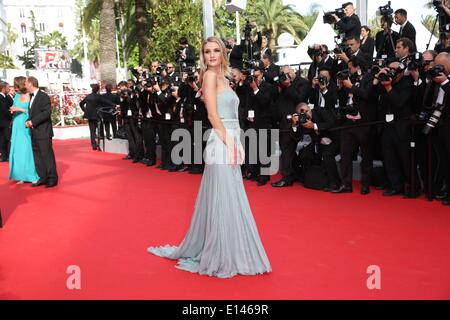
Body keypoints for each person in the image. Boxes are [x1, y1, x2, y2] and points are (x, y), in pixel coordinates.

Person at [148, 37, 272, 278]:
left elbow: (234, 116)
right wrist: (231, 144)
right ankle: (221, 253)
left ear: (223, 53)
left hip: (230, 139)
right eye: (207, 51)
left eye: (216, 50)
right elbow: (214, 117)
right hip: (221, 142)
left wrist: (238, 142)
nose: (212, 55)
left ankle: (230, 248)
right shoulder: (209, 77)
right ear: (203, 55)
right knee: (224, 197)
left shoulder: (225, 78)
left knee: (229, 196)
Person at [25, 76, 58, 188]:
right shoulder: (31, 96)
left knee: (47, 155)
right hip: (34, 132)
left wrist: (32, 122)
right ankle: (42, 177)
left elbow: (46, 112)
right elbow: (33, 113)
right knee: (37, 156)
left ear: (31, 84)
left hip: (43, 131)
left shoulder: (43, 96)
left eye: (26, 83)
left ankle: (52, 178)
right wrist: (28, 121)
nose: (25, 86)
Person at [8, 76, 40, 184]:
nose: (15, 88)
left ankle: (31, 175)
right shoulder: (16, 96)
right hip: (16, 124)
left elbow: (32, 111)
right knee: (17, 150)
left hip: (25, 124)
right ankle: (20, 175)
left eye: (16, 86)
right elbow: (14, 106)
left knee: (27, 150)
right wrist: (12, 109)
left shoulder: (30, 95)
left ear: (21, 85)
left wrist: (19, 109)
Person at [80, 83, 103, 150]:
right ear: (98, 90)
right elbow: (103, 103)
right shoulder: (99, 97)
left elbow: (81, 103)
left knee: (92, 131)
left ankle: (94, 145)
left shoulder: (88, 97)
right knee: (99, 130)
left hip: (90, 115)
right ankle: (99, 144)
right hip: (97, 115)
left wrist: (84, 110)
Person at [0, 81, 13, 162]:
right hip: (4, 122)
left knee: (4, 139)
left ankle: (4, 156)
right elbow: (5, 110)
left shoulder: (6, 97)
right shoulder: (1, 98)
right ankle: (6, 156)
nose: (9, 88)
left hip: (4, 122)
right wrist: (12, 113)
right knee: (6, 139)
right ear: (3, 88)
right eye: (7, 87)